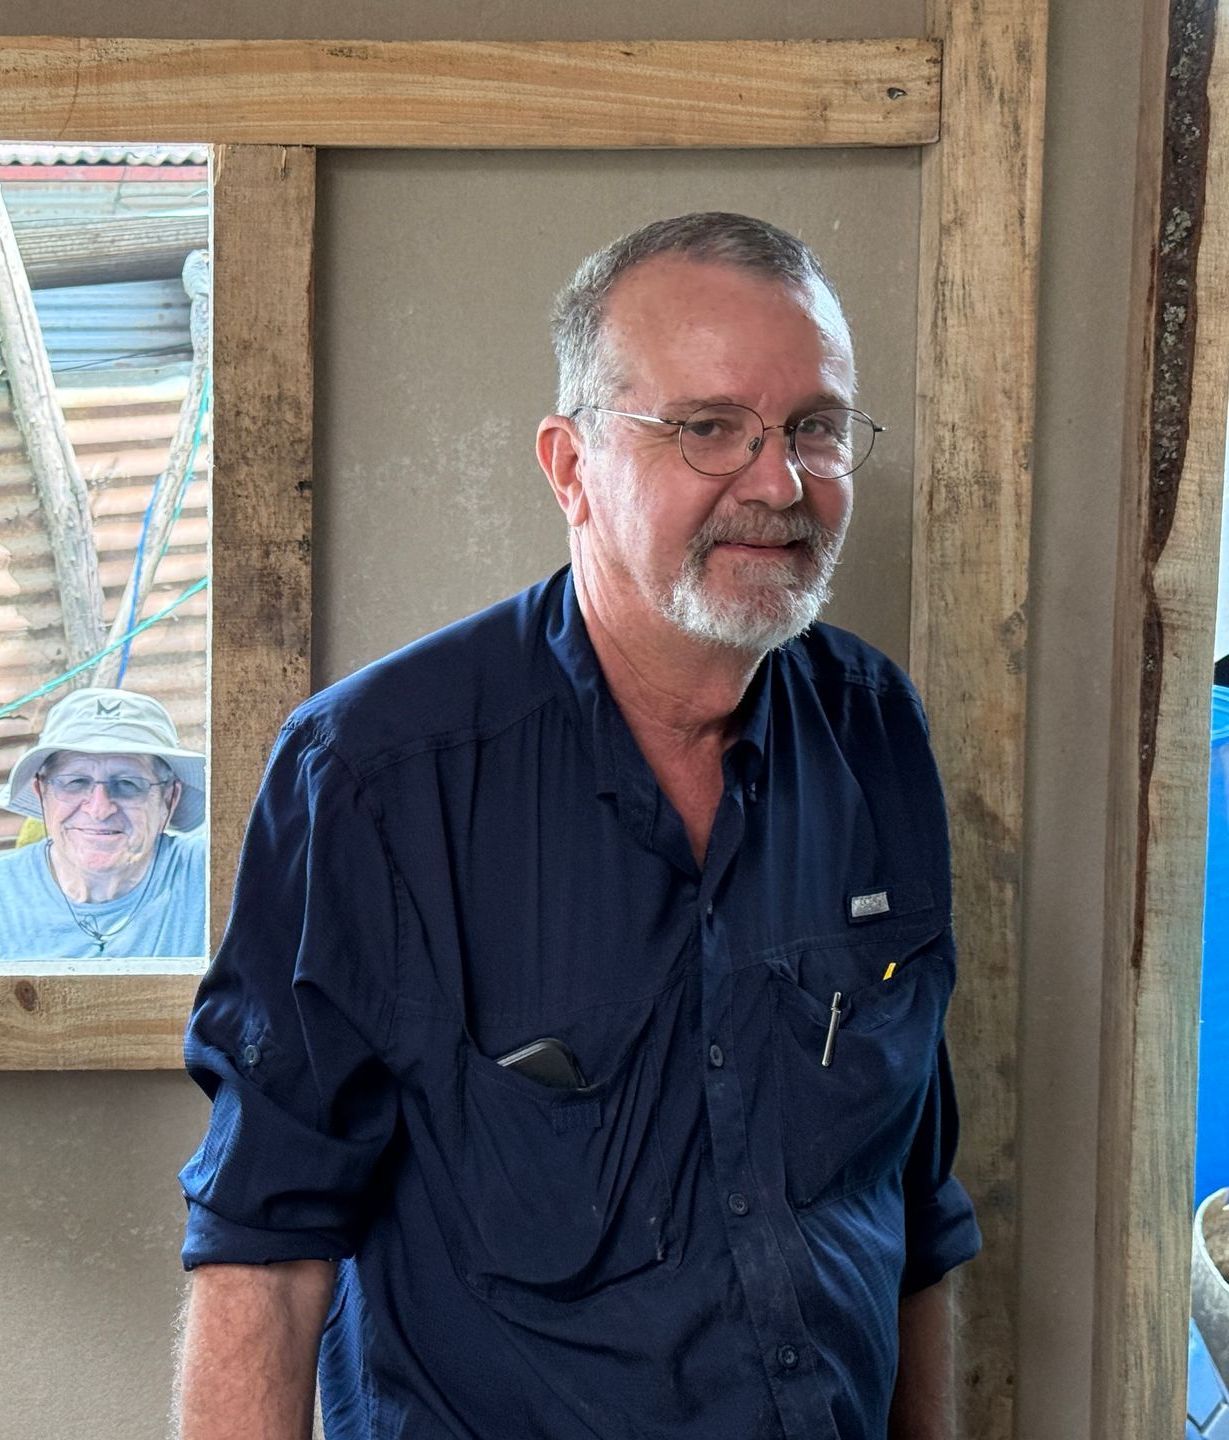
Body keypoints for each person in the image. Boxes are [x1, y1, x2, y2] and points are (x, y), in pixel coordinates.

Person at [177, 212, 980, 1440]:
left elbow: (911, 1206)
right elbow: (263, 1256)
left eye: (813, 428)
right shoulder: (374, 778)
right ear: (569, 467)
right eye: (707, 427)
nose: (777, 483)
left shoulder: (875, 730)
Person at [0, 687, 206, 960]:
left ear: (168, 798)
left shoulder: (211, 875)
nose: (99, 809)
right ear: (42, 793)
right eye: (75, 782)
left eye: (128, 784)